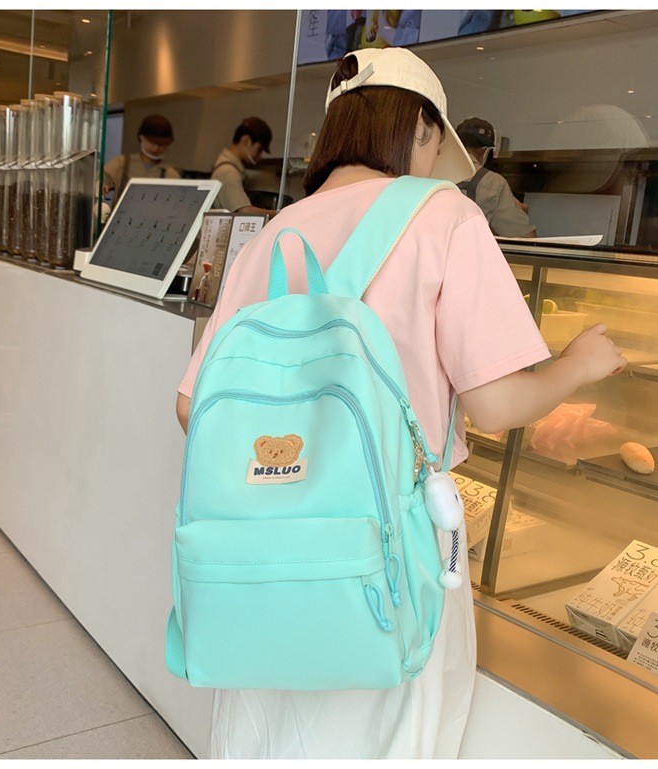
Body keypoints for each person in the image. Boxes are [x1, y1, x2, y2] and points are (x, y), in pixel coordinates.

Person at [175, 47, 626, 759]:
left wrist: (290, 463)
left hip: (260, 550)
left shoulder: (276, 234)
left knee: (267, 729)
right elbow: (497, 404)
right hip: (390, 544)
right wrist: (577, 365)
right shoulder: (444, 215)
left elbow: (191, 408)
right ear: (420, 127)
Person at [456, 117, 536, 237]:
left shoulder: (432, 171)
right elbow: (526, 237)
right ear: (484, 151)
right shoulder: (493, 182)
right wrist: (521, 213)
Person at [103, 114, 180, 202]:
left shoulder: (170, 174)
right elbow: (98, 184)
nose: (156, 148)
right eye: (152, 142)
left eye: (161, 144)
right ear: (141, 138)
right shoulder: (122, 163)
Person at [210, 117, 277, 218]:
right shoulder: (227, 171)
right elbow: (244, 211)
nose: (260, 156)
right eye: (259, 149)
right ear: (246, 140)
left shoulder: (228, 167)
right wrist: (280, 213)